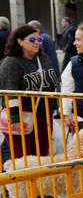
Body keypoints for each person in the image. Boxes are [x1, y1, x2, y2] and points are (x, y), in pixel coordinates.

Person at [0, 25, 60, 159]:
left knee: (41, 157)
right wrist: (15, 118)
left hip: (44, 117)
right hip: (22, 118)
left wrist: (55, 107)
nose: (37, 42)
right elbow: (10, 92)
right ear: (20, 41)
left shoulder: (44, 58)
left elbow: (53, 81)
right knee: (23, 159)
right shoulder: (11, 63)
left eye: (39, 39)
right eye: (32, 40)